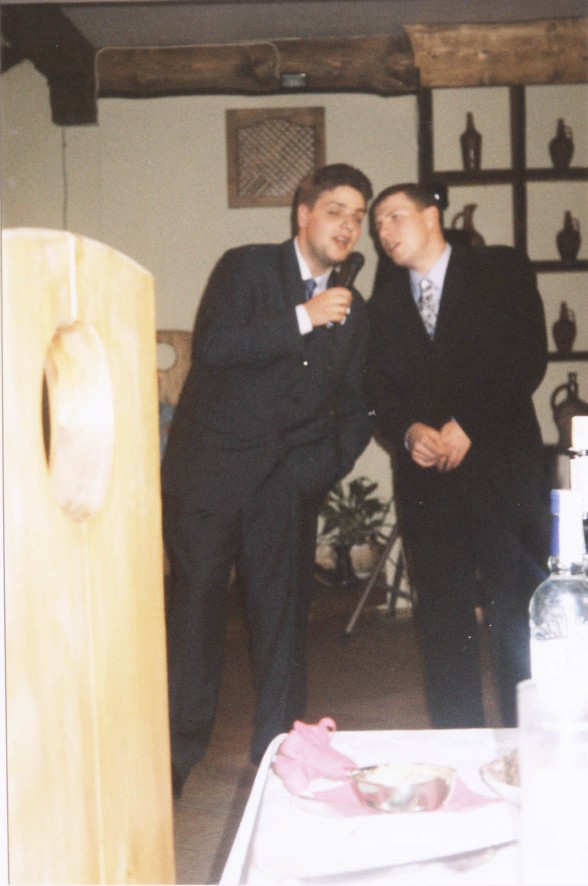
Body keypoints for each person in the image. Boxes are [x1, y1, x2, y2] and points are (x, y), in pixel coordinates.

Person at [161, 163, 374, 797]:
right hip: (211, 473)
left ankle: (278, 757)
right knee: (196, 615)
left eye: (357, 217)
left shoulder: (355, 310)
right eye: (335, 211)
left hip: (285, 482)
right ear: (303, 214)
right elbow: (215, 345)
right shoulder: (246, 267)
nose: (348, 226)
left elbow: (358, 406)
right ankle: (174, 759)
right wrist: (304, 317)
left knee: (281, 623)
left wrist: (319, 469)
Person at [366, 182, 549, 729]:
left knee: (516, 612)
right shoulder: (384, 302)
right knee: (444, 620)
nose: (384, 232)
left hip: (504, 471)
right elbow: (376, 388)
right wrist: (408, 432)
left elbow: (527, 357)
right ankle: (455, 741)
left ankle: (527, 742)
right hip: (428, 483)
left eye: (395, 217)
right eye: (378, 225)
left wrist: (469, 423)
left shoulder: (500, 269)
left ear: (431, 216)